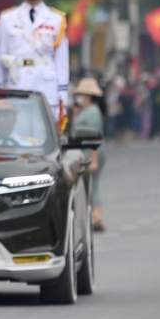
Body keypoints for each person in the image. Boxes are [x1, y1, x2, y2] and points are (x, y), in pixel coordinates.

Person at [0, 0, 70, 116]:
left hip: (46, 89)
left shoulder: (56, 19)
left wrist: (63, 96)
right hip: (16, 85)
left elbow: (61, 62)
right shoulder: (7, 19)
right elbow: (0, 58)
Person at [72, 77, 107, 232]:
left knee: (92, 184)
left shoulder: (92, 112)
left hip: (94, 151)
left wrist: (94, 160)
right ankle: (96, 215)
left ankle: (97, 216)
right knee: (92, 184)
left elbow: (94, 137)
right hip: (87, 151)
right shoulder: (87, 110)